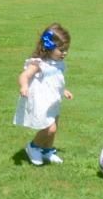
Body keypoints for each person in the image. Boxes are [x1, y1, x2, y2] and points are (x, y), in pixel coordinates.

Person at [14, 23, 74, 166]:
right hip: (41, 101)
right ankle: (33, 147)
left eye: (66, 49)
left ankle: (47, 150)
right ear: (49, 47)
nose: (64, 53)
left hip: (53, 100)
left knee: (54, 129)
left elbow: (55, 81)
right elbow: (24, 75)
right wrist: (24, 86)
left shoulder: (58, 63)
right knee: (49, 128)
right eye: (61, 50)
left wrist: (63, 90)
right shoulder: (38, 63)